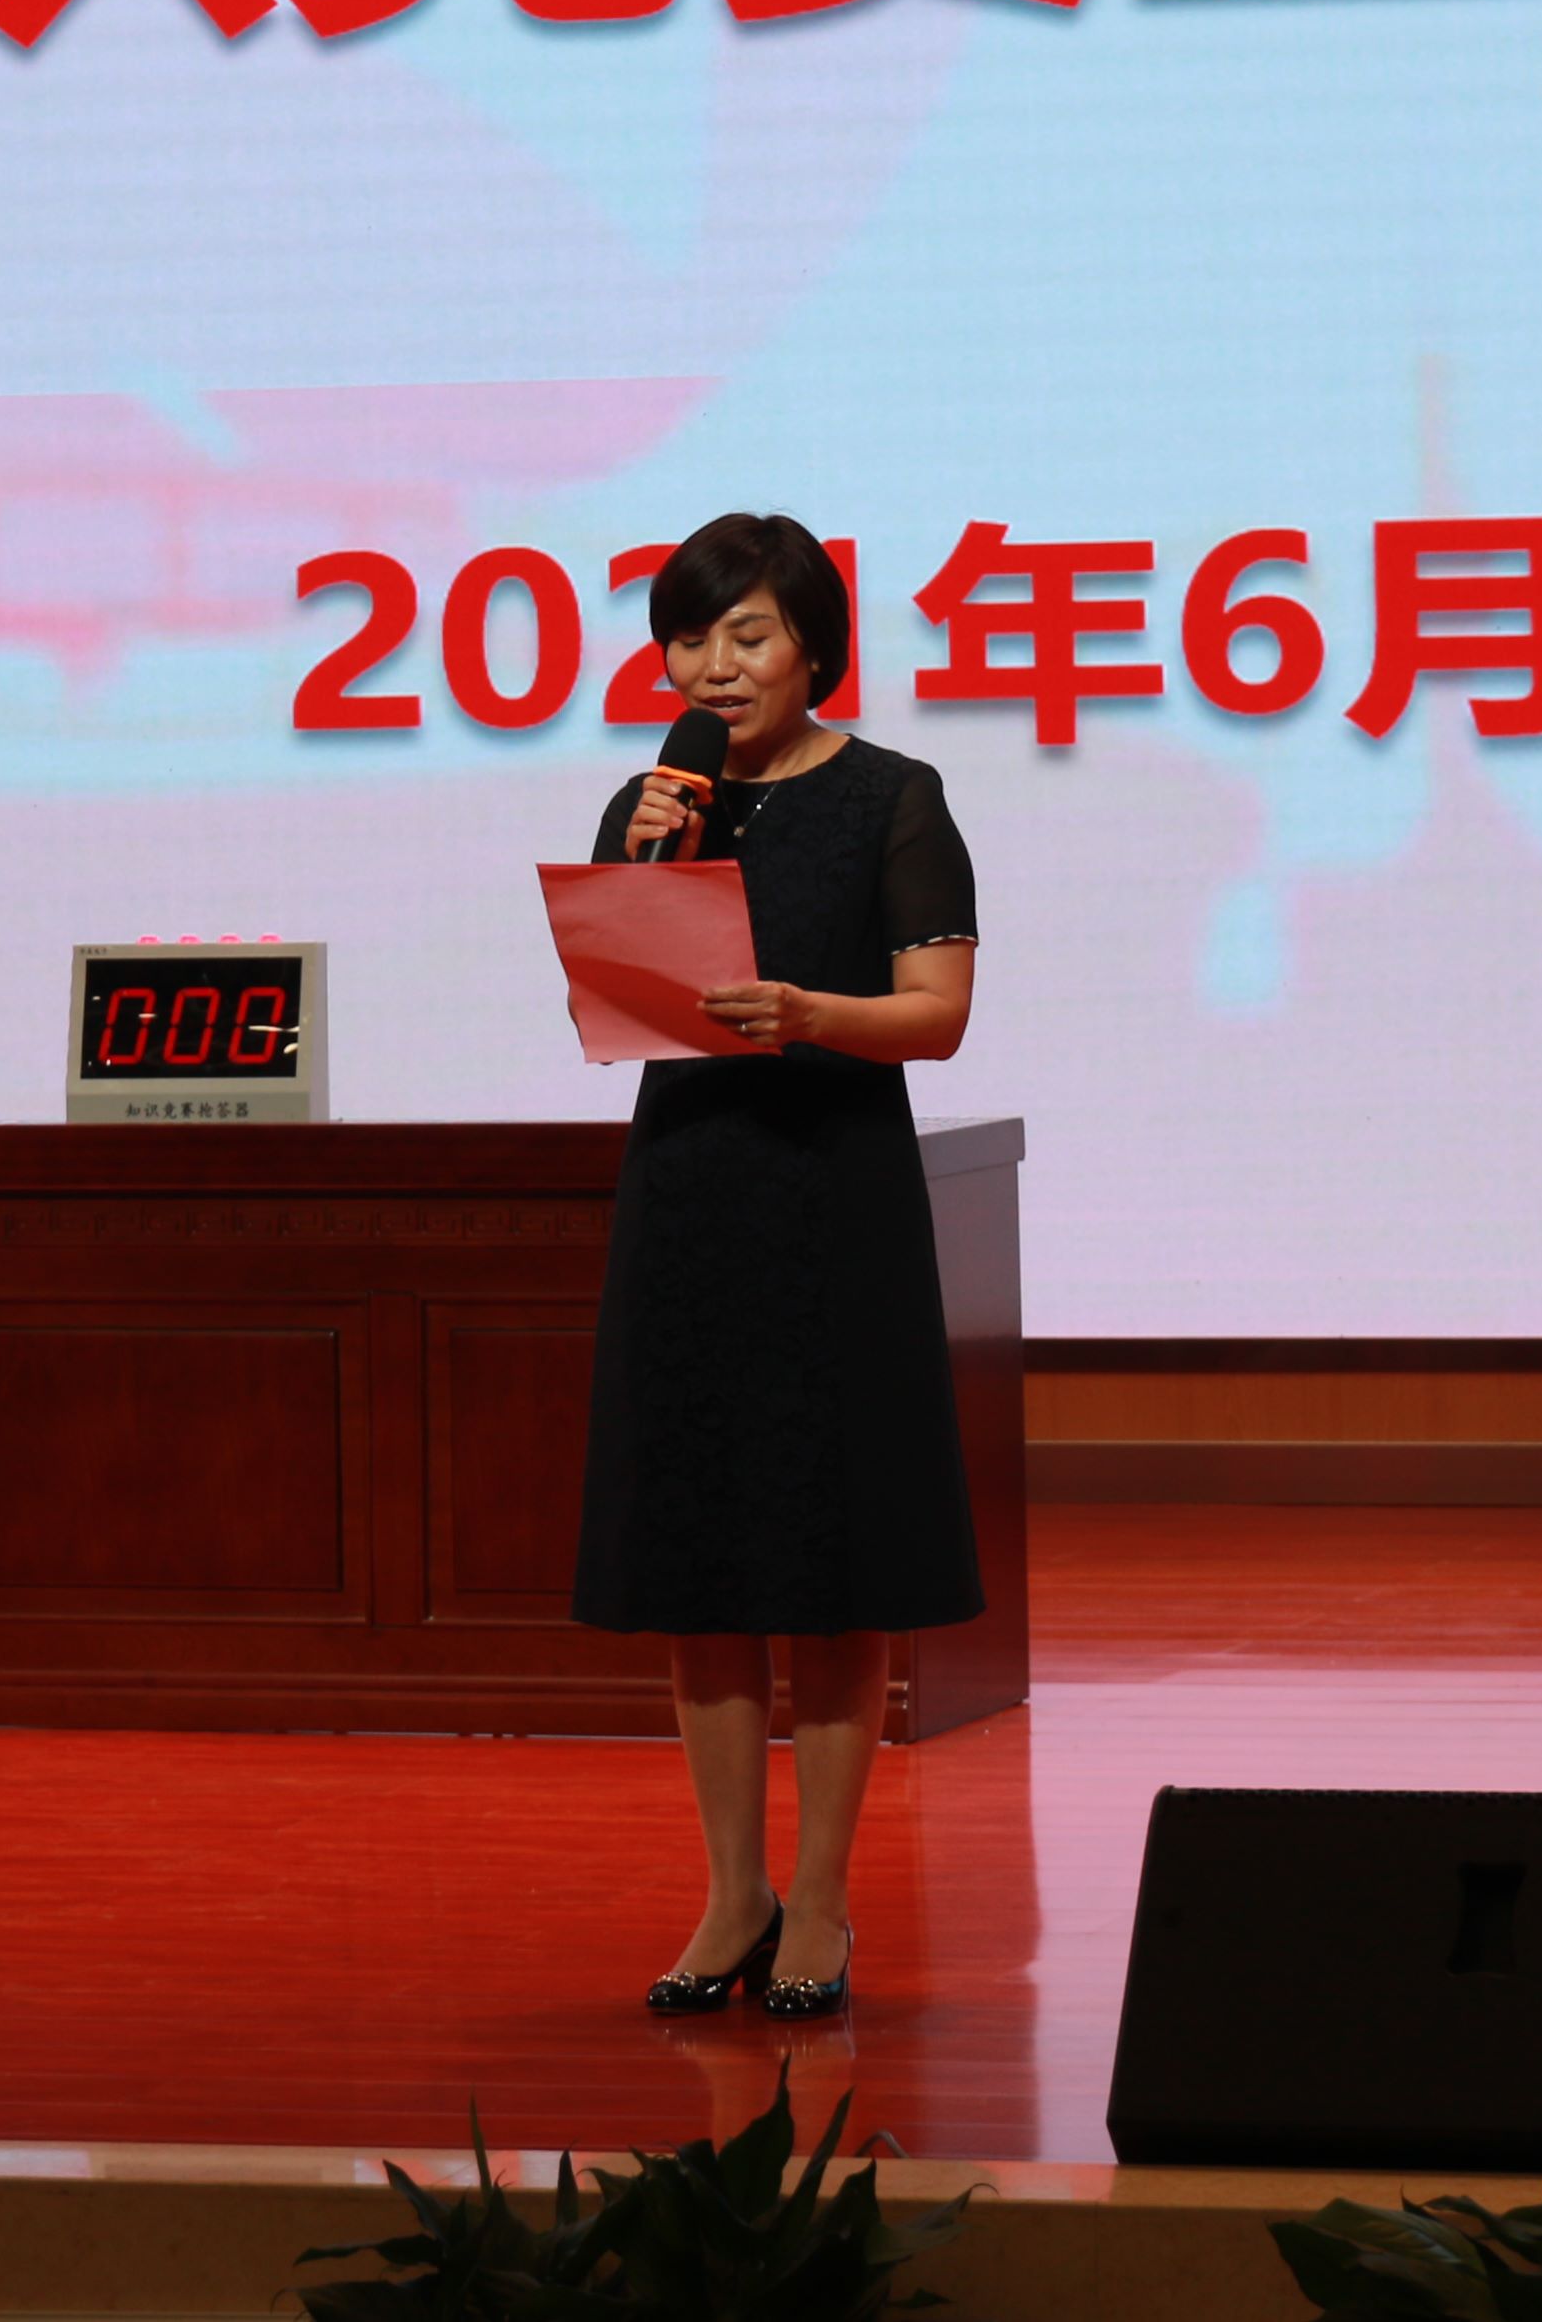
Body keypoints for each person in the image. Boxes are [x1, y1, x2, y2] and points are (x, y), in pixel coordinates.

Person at [574, 511, 982, 2024]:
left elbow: (937, 1013)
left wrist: (808, 1012)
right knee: (702, 1555)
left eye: (747, 634)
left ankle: (818, 1898)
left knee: (830, 1556)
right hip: (689, 1191)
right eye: (689, 638)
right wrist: (642, 874)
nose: (714, 665)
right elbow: (615, 995)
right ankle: (730, 1891)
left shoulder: (893, 796)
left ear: (815, 645)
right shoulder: (651, 801)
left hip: (833, 1196)